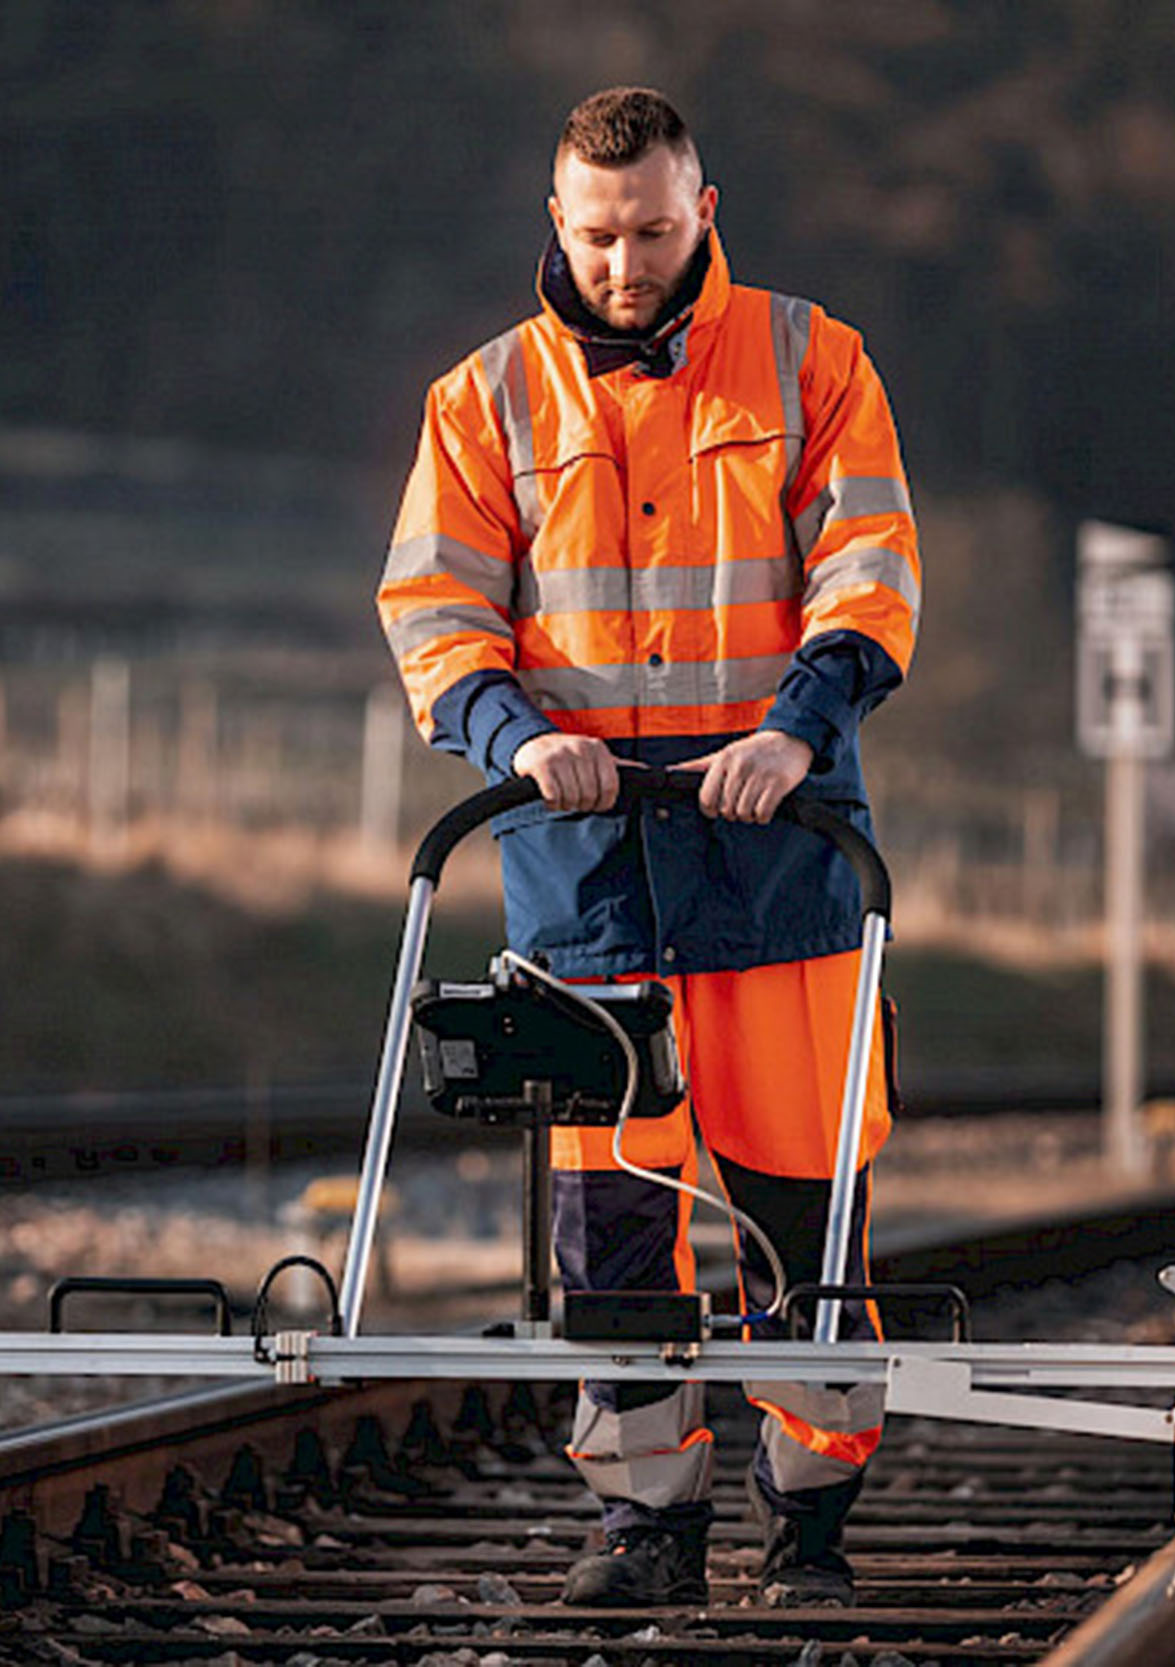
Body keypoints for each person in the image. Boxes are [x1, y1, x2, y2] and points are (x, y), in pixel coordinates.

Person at [376, 86, 920, 1609]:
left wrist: (798, 729)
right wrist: (512, 741)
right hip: (588, 873)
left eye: (657, 232)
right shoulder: (482, 401)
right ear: (557, 222)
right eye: (601, 235)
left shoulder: (816, 360)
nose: (628, 263)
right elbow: (433, 612)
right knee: (613, 1228)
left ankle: (810, 1520)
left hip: (782, 861)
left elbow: (870, 571)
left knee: (805, 1217)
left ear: (707, 208)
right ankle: (643, 1527)